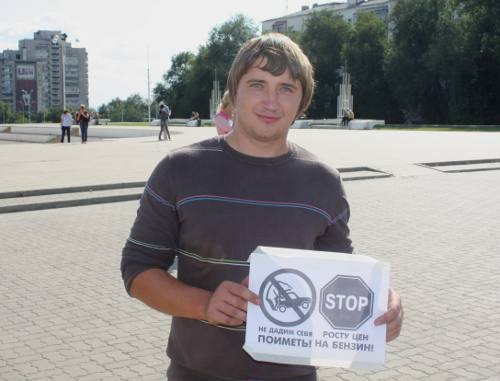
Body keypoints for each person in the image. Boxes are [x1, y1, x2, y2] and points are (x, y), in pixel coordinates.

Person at [121, 33, 403, 381]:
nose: (272, 101)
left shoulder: (324, 182)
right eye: (258, 84)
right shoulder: (179, 169)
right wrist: (203, 305)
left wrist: (379, 304)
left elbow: (339, 278)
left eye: (287, 88)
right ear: (233, 93)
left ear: (302, 102)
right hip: (197, 373)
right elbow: (138, 270)